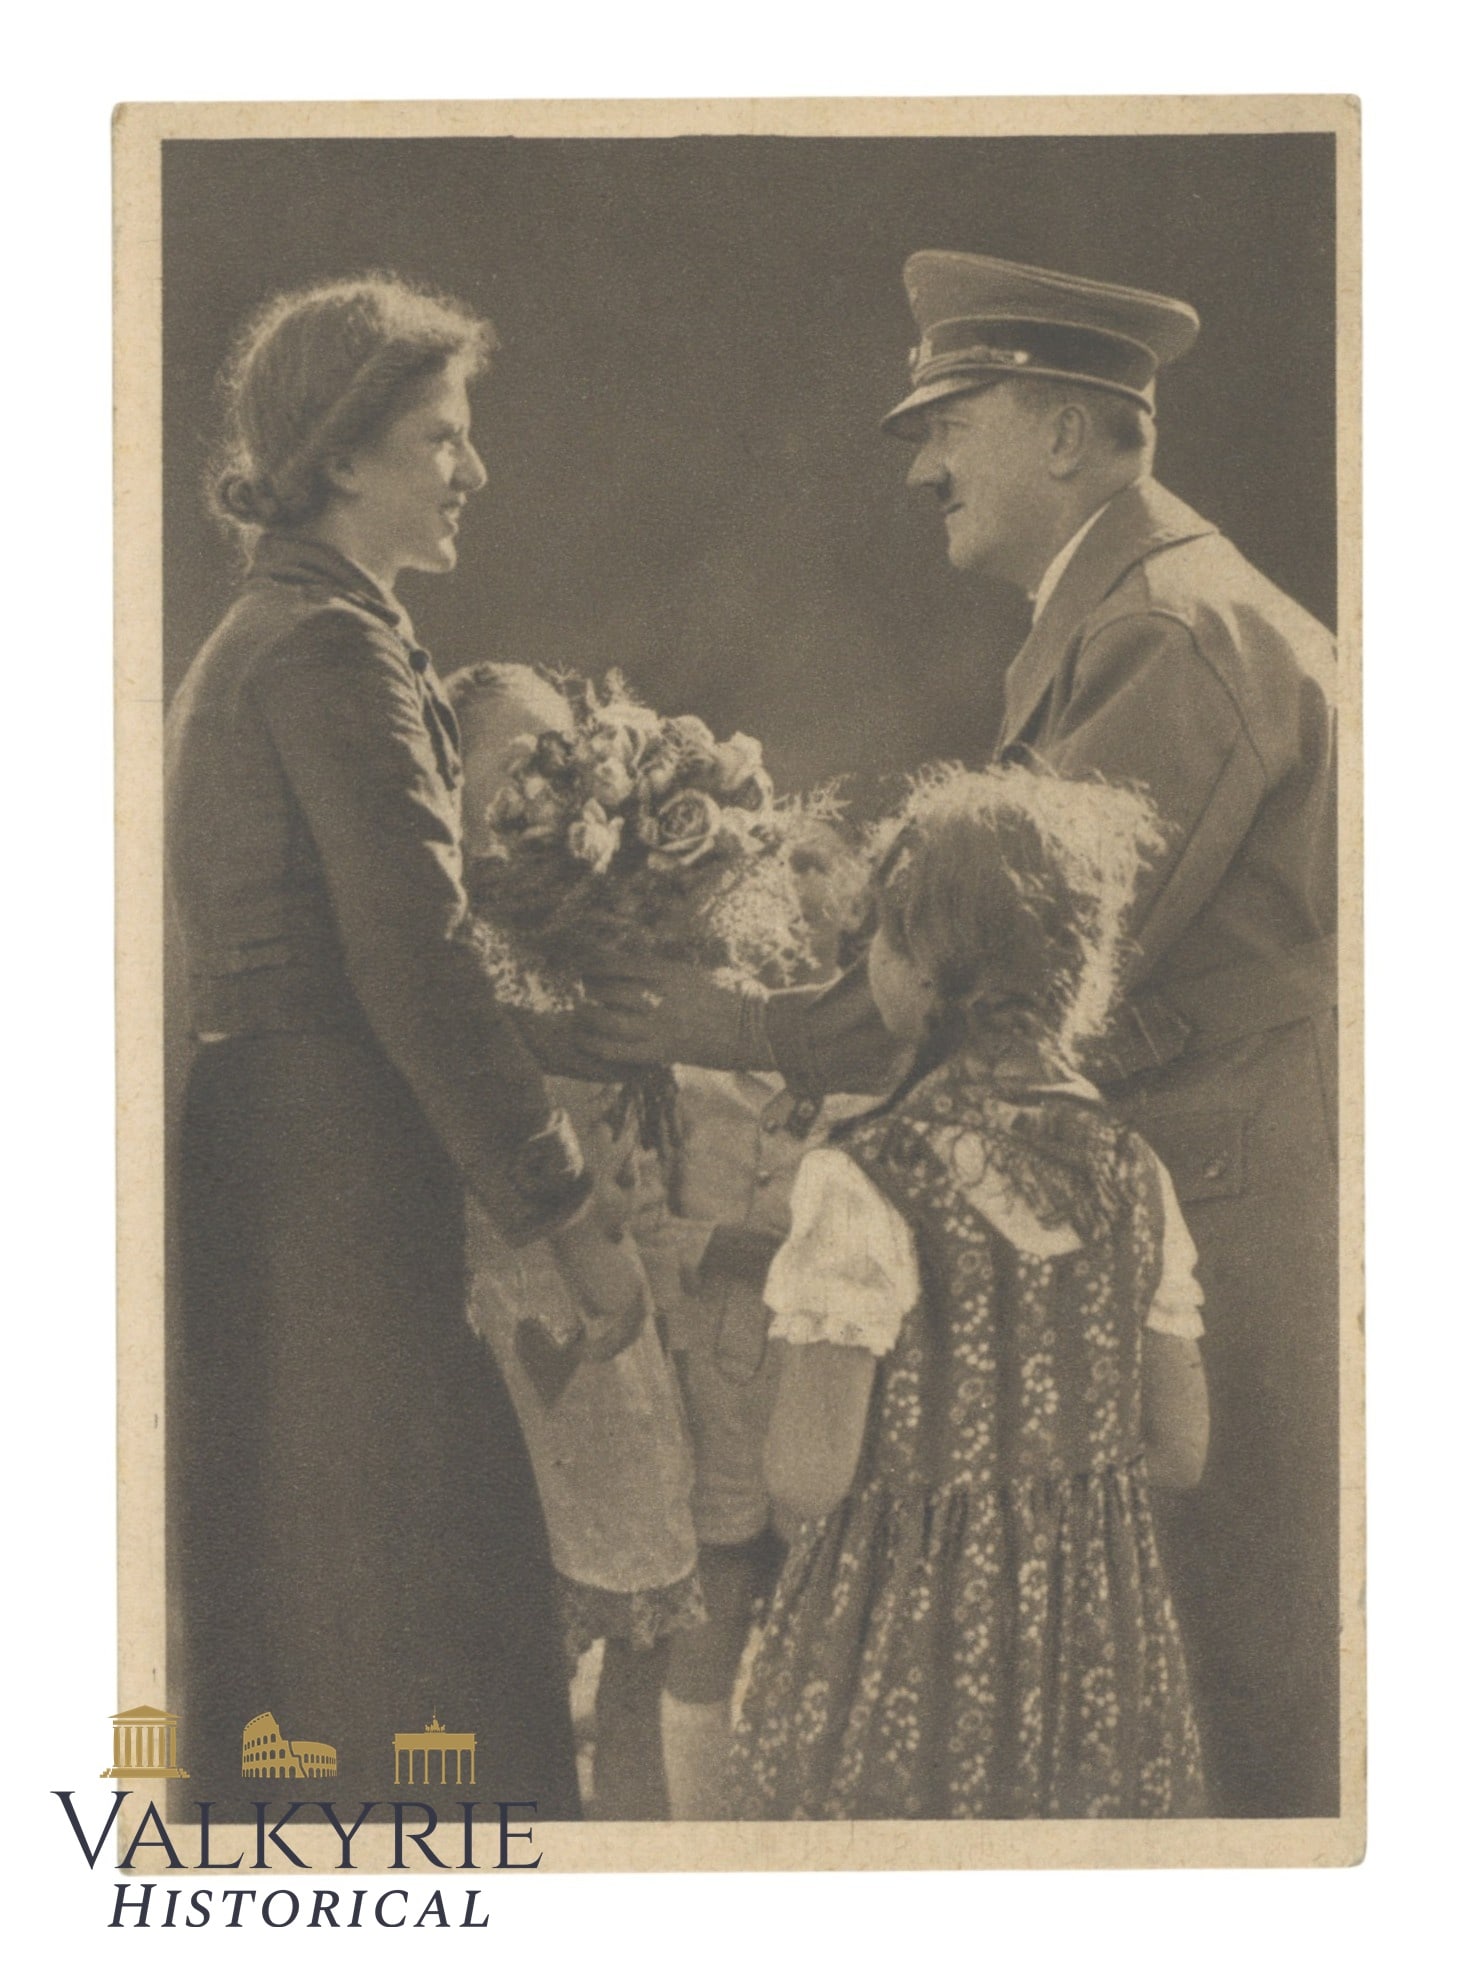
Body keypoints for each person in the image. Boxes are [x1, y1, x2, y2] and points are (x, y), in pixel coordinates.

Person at [577, 250, 1340, 1818]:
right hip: (1206, 1166)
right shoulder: (1135, 609)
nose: (921, 468)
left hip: (1236, 1187)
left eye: (946, 423)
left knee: (1244, 1669)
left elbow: (1001, 967)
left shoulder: (1165, 630)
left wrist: (715, 1016)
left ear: (1061, 431)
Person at [165, 276, 649, 1816]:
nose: (472, 468)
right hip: (332, 1163)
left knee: (322, 1590)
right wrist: (570, 1215)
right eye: (439, 436)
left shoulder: (287, 627)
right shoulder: (328, 644)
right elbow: (418, 960)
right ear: (338, 453)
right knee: (396, 1606)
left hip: (283, 1142)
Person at [729, 765, 1208, 1819]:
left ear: (916, 963)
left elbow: (805, 1475)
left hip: (902, 1644)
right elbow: (1179, 1448)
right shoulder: (1134, 1170)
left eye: (877, 934)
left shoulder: (864, 1177)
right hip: (1092, 1650)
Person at [452, 661, 703, 1822]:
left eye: (563, 760)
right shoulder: (447, 952)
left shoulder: (594, 939)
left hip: (615, 1322)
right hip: (511, 1314)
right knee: (522, 1670)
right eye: (516, 765)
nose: (543, 790)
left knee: (639, 1669)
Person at [629, 826, 873, 1819]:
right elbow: (639, 1223)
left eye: (812, 936)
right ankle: (700, 1826)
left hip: (828, 1381)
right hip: (718, 1377)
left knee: (828, 1598)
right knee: (715, 1593)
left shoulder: (871, 1090)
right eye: (766, 940)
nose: (788, 961)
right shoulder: (690, 1084)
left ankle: (814, 1811)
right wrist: (719, 1245)